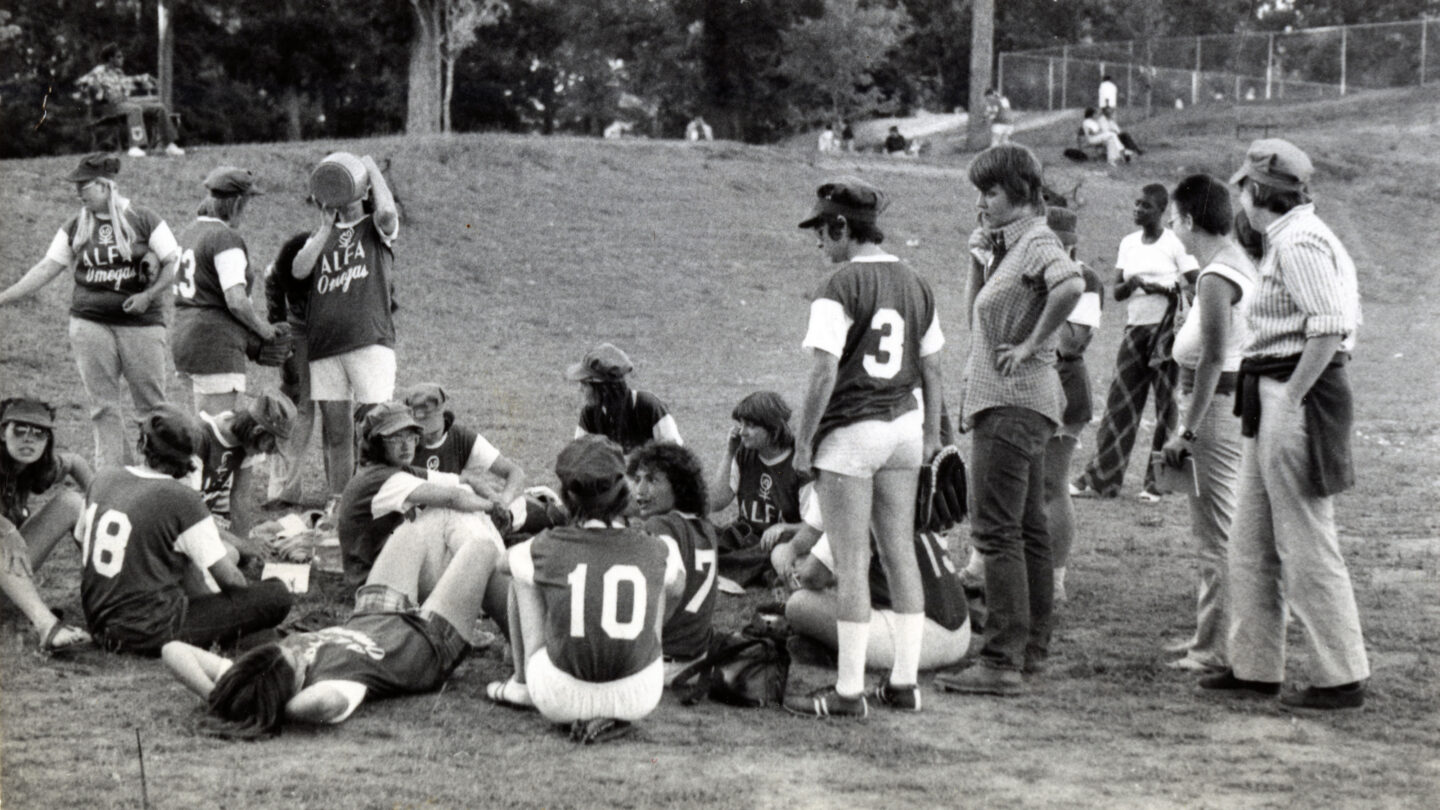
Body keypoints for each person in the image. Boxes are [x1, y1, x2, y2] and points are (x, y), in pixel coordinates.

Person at [1200, 139, 1368, 710]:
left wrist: (1292, 397)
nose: (1241, 197)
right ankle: (1254, 666)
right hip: (1269, 390)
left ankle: (1340, 676)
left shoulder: (1299, 241)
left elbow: (1328, 327)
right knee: (1250, 539)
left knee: (1305, 540)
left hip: (1291, 392)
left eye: (1245, 187)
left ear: (1259, 192)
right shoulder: (1288, 237)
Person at [782, 176, 944, 719]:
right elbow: (932, 364)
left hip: (854, 429)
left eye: (822, 231)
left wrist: (804, 442)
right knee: (900, 553)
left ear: (843, 226)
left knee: (852, 561)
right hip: (905, 425)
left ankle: (849, 692)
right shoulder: (916, 280)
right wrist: (932, 433)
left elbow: (825, 369)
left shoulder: (840, 285)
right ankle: (904, 684)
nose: (819, 243)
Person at [933, 144, 1082, 697]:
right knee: (1025, 529)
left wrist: (1031, 345)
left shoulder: (1038, 239)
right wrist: (979, 258)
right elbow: (978, 316)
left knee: (996, 531)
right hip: (1023, 404)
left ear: (1020, 193)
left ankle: (1000, 660)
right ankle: (1031, 648)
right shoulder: (1011, 247)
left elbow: (1071, 284)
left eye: (990, 192)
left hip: (1013, 403)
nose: (982, 203)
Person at [163, 522, 503, 737]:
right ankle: (517, 648)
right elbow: (322, 705)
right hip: (430, 640)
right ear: (292, 687)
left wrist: (222, 696)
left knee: (408, 532)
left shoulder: (257, 677)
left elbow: (173, 651)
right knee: (482, 546)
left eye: (290, 648)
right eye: (296, 661)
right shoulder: (334, 687)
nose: (297, 649)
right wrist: (274, 709)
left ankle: (445, 584)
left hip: (373, 616)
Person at [484, 436, 684, 744]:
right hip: (640, 692)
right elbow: (677, 586)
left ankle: (521, 684)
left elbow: (502, 563)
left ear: (567, 494)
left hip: (557, 696)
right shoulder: (659, 547)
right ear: (623, 492)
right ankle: (634, 655)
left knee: (522, 573)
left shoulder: (546, 545)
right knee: (663, 581)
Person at [0, 153, 181, 470]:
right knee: (103, 407)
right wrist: (4, 297)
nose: (78, 191)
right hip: (90, 324)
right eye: (77, 185)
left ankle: (158, 472)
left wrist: (148, 295)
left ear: (106, 185)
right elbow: (47, 267)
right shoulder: (75, 225)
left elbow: (173, 262)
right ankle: (112, 476)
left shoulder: (144, 218)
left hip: (141, 326)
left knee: (152, 406)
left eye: (84, 185)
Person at [78, 405, 292, 655]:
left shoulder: (103, 477)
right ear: (189, 455)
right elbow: (231, 581)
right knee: (276, 594)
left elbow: (82, 539)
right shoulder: (183, 498)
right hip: (147, 629)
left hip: (97, 619)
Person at [1156, 174, 1257, 674]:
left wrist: (1187, 430)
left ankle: (1216, 647)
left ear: (1190, 220)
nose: (1171, 228)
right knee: (1218, 531)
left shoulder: (1217, 276)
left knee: (1216, 535)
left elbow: (1216, 356)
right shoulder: (1227, 265)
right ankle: (1210, 635)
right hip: (1218, 403)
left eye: (1174, 219)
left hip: (1213, 408)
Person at [1072, 184, 1197, 501]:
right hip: (1135, 329)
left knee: (1167, 406)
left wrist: (1166, 289)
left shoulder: (1175, 244)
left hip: (1168, 331)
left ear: (1161, 210)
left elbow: (1196, 283)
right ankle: (1103, 479)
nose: (1138, 210)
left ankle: (1160, 484)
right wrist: (1135, 282)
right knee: (1121, 402)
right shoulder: (1129, 244)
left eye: (1146, 206)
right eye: (1137, 204)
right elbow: (1116, 291)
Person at [293, 154, 400, 507]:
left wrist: (370, 169)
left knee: (376, 427)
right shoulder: (321, 234)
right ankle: (340, 502)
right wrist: (325, 227)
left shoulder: (375, 226)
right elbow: (299, 270)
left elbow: (386, 213)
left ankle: (377, 497)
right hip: (326, 346)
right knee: (337, 432)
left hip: (369, 341)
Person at [783, 487, 971, 673]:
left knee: (799, 604)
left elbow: (811, 577)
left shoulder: (858, 499)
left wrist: (800, 572)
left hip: (925, 637)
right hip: (960, 630)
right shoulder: (898, 489)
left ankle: (835, 654)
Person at [337, 401, 509, 604]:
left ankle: (496, 578)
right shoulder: (381, 478)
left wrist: (495, 499)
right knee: (448, 510)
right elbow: (452, 499)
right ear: (376, 443)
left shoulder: (393, 469)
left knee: (463, 497)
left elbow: (465, 480)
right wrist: (492, 507)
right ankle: (500, 582)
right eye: (395, 438)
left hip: (390, 573)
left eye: (410, 436)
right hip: (375, 585)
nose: (406, 445)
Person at [172, 166, 282, 416]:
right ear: (236, 204)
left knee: (204, 427)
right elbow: (236, 301)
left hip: (186, 338)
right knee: (217, 433)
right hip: (215, 344)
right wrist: (263, 331)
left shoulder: (189, 232)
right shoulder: (224, 238)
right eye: (247, 202)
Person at [0, 397, 93, 653]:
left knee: (72, 503)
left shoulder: (32, 465)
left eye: (38, 432)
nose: (28, 439)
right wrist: (6, 529)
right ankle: (46, 626)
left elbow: (75, 462)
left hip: (6, 577)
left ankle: (114, 593)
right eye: (19, 430)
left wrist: (102, 503)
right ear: (1, 431)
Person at [628, 442, 718, 681]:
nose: (641, 490)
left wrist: (649, 638)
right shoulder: (705, 527)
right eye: (637, 479)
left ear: (679, 487)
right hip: (697, 658)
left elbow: (675, 587)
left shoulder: (660, 525)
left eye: (652, 480)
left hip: (664, 661)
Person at [708, 391, 804, 590]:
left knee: (776, 552)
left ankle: (728, 569)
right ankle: (744, 569)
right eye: (741, 424)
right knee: (702, 532)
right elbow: (716, 503)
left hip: (777, 542)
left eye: (751, 425)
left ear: (773, 428)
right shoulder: (744, 454)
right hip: (745, 536)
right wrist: (729, 452)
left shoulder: (798, 464)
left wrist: (785, 528)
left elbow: (819, 526)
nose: (742, 432)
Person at [194, 391, 298, 548]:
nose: (267, 454)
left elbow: (240, 497)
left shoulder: (245, 442)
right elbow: (188, 509)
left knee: (245, 546)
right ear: (257, 431)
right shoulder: (200, 437)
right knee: (230, 554)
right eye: (269, 447)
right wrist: (241, 545)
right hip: (181, 520)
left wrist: (244, 542)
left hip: (202, 519)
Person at [262, 232, 320, 508]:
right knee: (296, 404)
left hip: (338, 333)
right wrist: (286, 355)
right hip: (299, 332)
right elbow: (276, 318)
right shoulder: (276, 273)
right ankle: (284, 488)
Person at [568, 343, 682, 454]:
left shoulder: (649, 407)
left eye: (584, 384)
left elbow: (676, 457)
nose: (580, 389)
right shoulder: (590, 414)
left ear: (601, 387)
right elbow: (578, 459)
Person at [75, 43, 183, 157]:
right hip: (108, 106)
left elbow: (128, 82)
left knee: (159, 107)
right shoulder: (99, 70)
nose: (122, 59)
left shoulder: (118, 72)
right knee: (134, 109)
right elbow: (82, 82)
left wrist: (144, 79)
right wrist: (99, 93)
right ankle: (134, 147)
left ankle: (170, 145)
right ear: (110, 58)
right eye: (119, 56)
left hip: (123, 102)